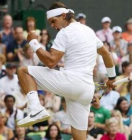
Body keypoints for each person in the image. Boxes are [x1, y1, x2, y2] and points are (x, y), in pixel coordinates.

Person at [17, 2, 116, 140]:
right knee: (79, 137)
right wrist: (111, 78)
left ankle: (35, 108)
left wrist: (33, 42)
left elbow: (51, 62)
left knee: (23, 71)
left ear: (63, 16)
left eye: (53, 21)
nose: (52, 25)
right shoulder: (89, 31)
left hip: (72, 83)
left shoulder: (64, 32)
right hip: (87, 90)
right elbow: (107, 54)